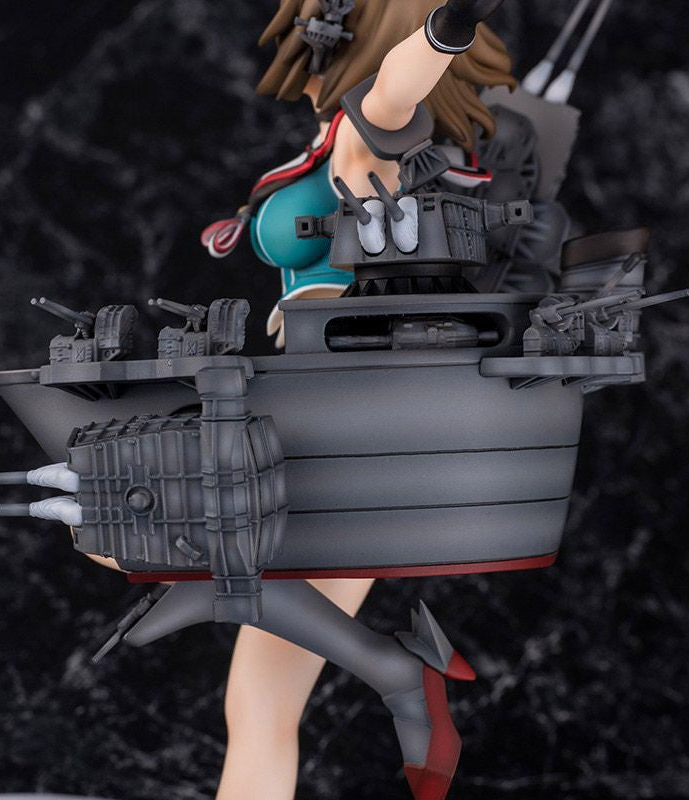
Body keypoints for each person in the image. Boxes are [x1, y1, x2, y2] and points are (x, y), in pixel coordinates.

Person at [194, 2, 515, 798]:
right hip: (339, 413)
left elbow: (396, 88)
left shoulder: (367, 136)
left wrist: (448, 26)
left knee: (117, 522)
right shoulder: (342, 140)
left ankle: (390, 668)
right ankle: (398, 670)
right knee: (261, 701)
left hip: (330, 417)